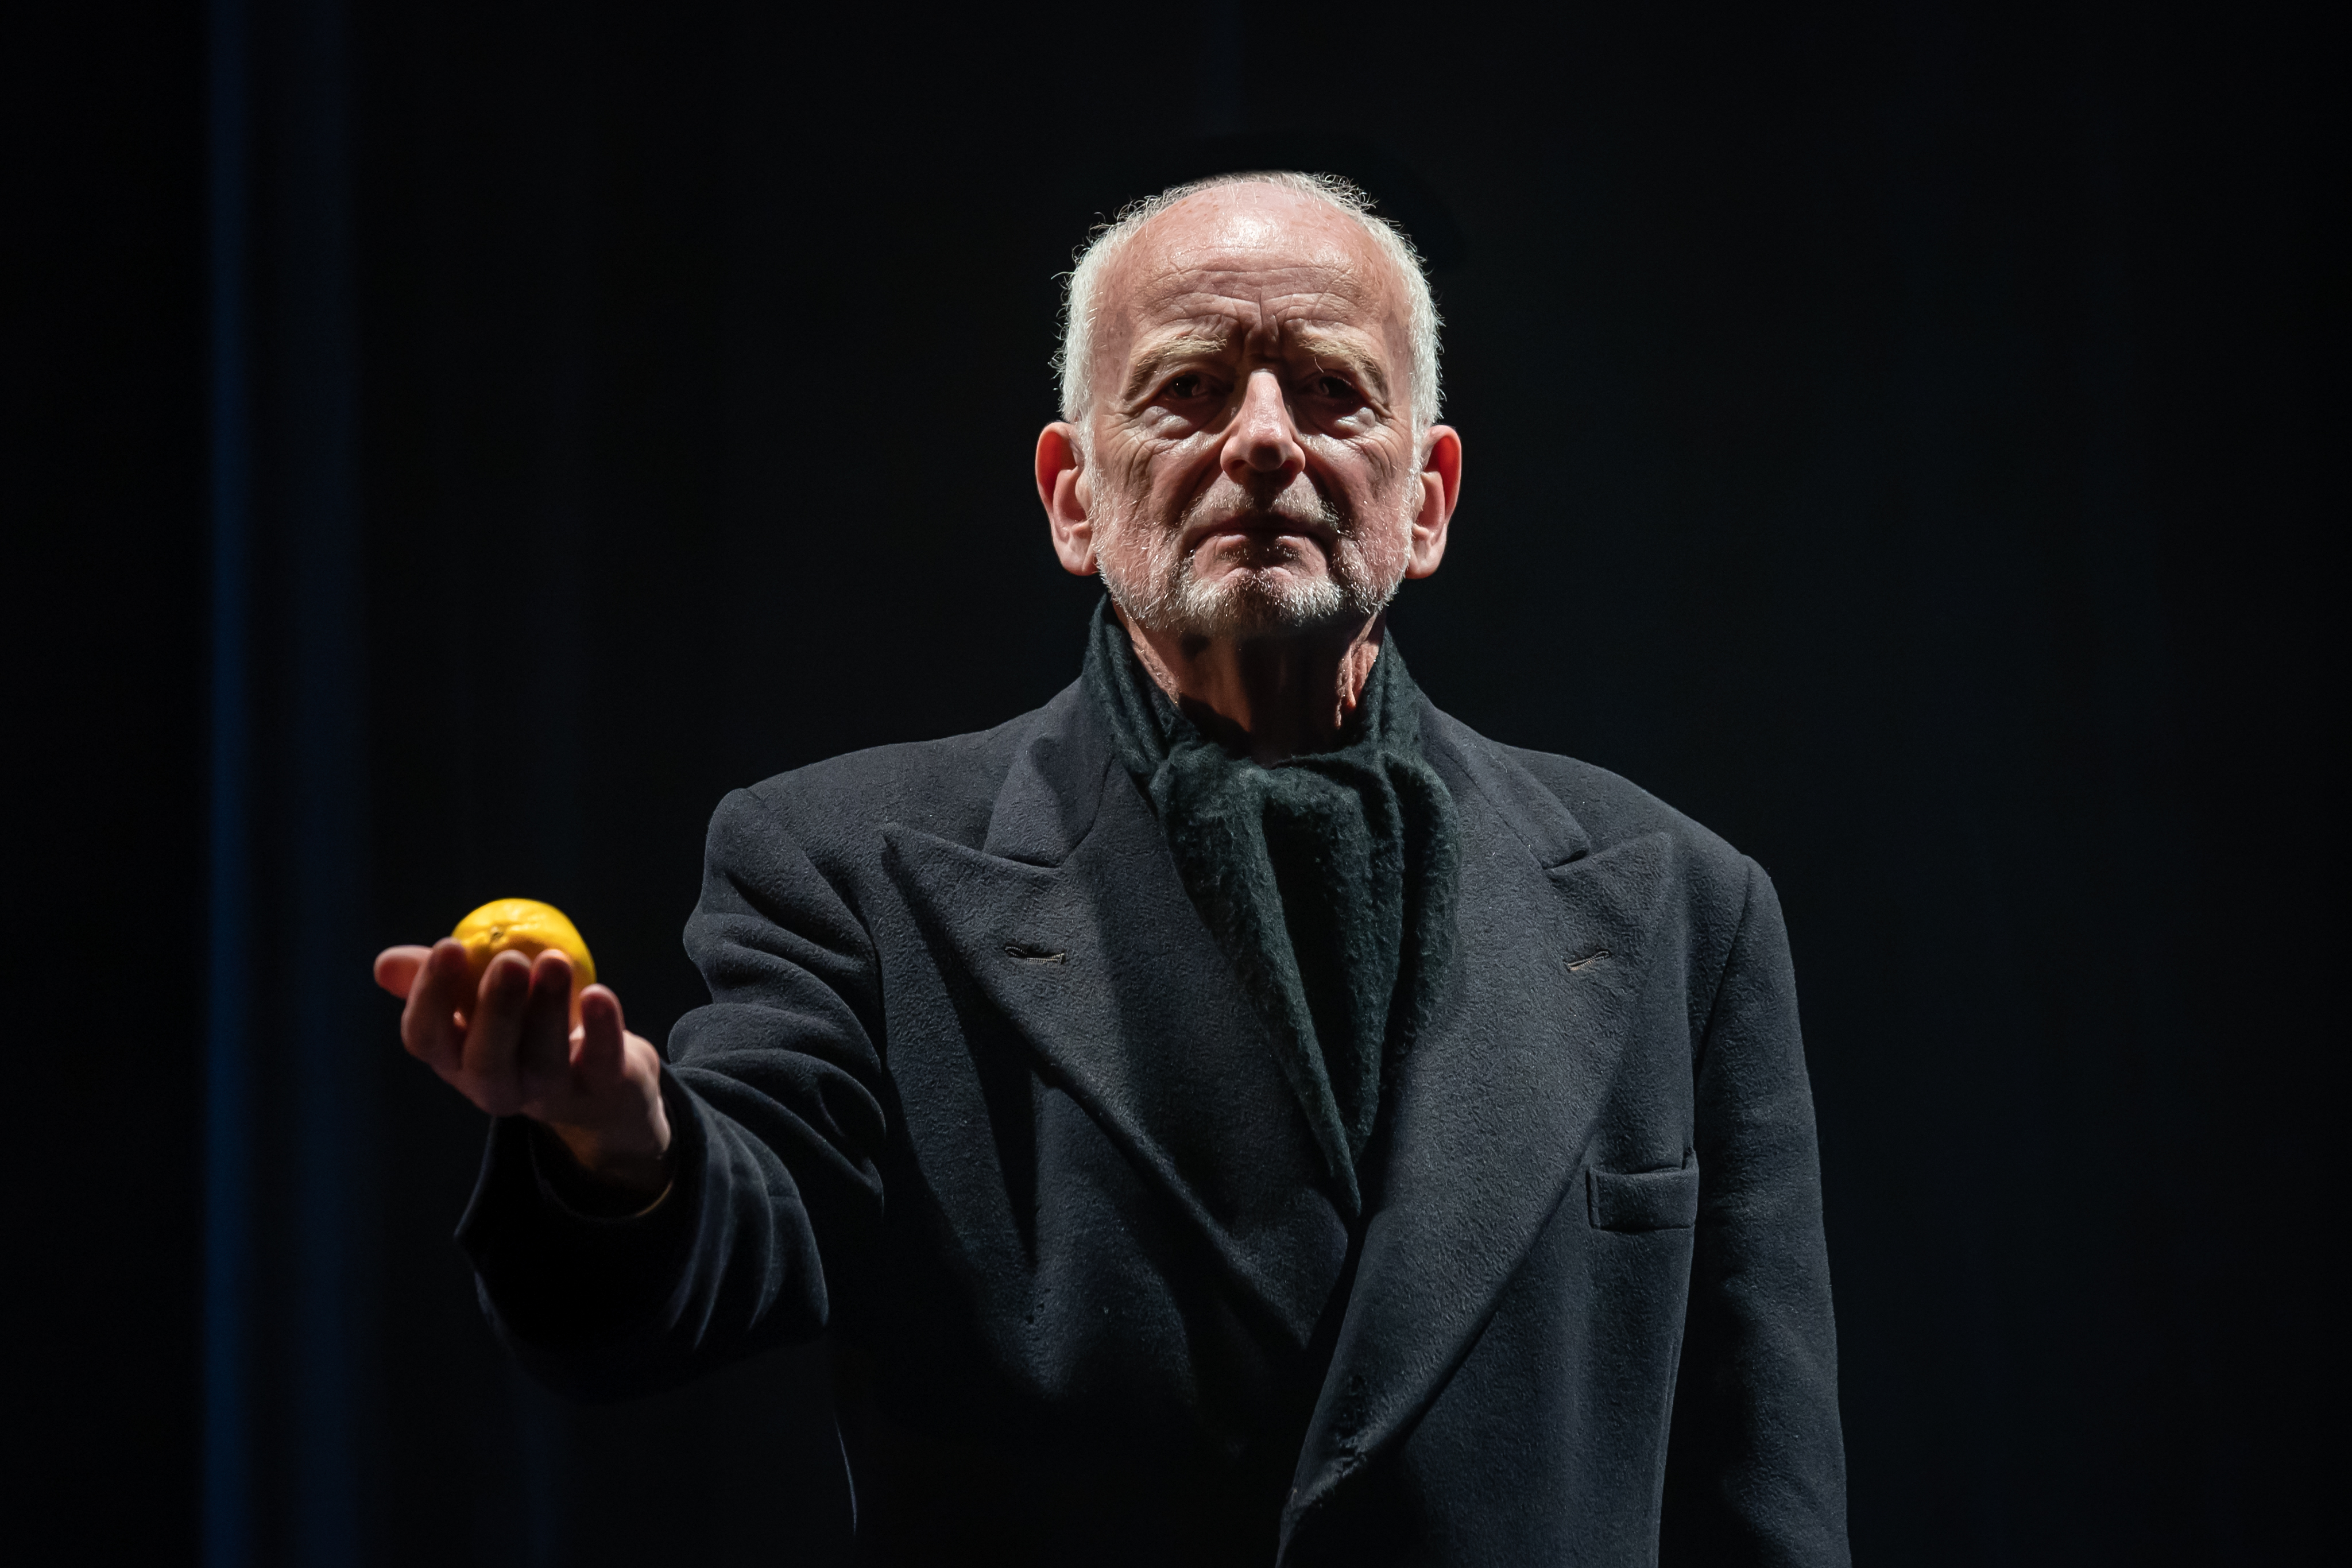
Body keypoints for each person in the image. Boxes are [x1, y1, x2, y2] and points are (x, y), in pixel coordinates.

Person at [375, 171, 1849, 1566]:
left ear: (1428, 498)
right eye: (1188, 391)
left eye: (1331, 391)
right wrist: (621, 1148)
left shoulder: (1676, 904)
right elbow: (739, 1225)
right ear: (1073, 496)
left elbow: (1761, 1491)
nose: (1263, 437)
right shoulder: (848, 866)